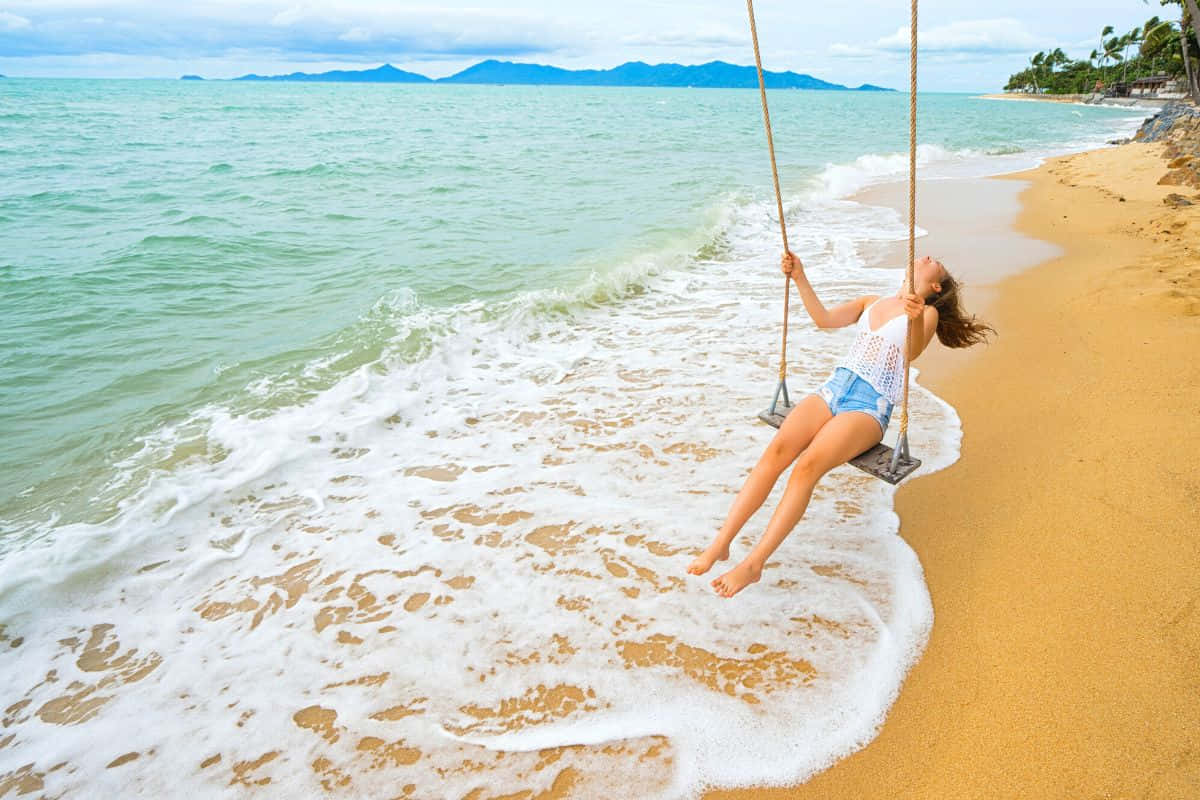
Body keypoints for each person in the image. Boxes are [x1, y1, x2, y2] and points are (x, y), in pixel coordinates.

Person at [687, 250, 995, 598]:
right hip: (834, 387)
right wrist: (799, 276)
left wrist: (912, 318)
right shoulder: (871, 302)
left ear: (934, 285)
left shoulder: (927, 313)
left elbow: (911, 352)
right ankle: (722, 542)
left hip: (868, 406)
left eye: (934, 260)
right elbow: (824, 319)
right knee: (775, 453)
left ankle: (755, 563)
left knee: (807, 467)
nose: (925, 255)